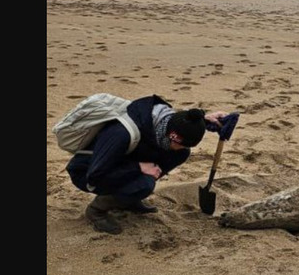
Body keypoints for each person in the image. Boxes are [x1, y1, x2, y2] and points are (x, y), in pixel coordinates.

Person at [65, 94, 228, 234]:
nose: (183, 147)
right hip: (88, 172)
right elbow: (95, 176)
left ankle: (128, 198)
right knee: (144, 183)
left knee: (179, 154)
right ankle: (97, 210)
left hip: (121, 160)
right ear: (172, 137)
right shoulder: (121, 134)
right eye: (181, 143)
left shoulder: (165, 124)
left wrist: (200, 121)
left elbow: (180, 124)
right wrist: (139, 168)